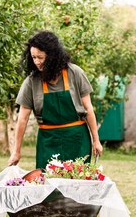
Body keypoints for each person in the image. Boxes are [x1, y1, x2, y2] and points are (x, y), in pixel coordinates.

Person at [8, 30, 103, 169]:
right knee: (49, 187)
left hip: (77, 141)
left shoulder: (75, 73)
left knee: (76, 186)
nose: (36, 62)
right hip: (48, 143)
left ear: (52, 56)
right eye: (33, 57)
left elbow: (88, 109)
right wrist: (16, 151)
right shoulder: (31, 82)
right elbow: (22, 118)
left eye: (40, 57)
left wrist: (96, 140)